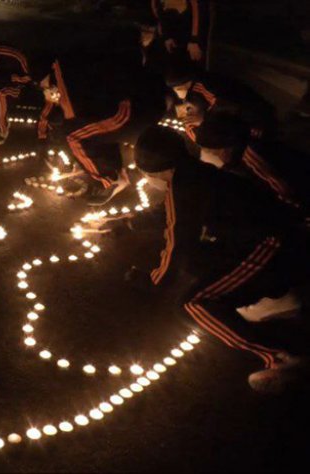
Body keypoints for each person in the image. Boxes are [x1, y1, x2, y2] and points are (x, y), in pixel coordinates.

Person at [130, 126, 307, 393]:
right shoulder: (195, 173)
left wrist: (155, 281)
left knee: (193, 304)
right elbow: (168, 217)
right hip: (267, 240)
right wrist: (128, 222)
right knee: (194, 262)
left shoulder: (185, 188)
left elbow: (177, 240)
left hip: (274, 246)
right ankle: (267, 294)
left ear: (150, 173)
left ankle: (281, 356)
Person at [36, 56, 136, 206]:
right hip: (97, 103)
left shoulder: (68, 107)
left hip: (100, 107)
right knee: (81, 135)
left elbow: (73, 136)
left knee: (75, 136)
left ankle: (109, 180)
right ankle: (109, 179)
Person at [194, 113, 301, 209]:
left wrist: (294, 210)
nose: (212, 154)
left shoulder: (250, 155)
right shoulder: (245, 143)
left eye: (213, 152)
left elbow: (281, 188)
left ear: (225, 147)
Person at [165, 60, 275, 142]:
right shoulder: (191, 96)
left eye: (176, 90)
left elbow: (229, 106)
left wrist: (205, 118)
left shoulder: (205, 86)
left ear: (182, 86)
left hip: (257, 121)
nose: (178, 96)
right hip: (242, 126)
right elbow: (189, 123)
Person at [150, 0, 210, 66]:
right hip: (171, 35)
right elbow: (157, 8)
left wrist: (194, 39)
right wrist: (166, 36)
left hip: (189, 34)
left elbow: (196, 7)